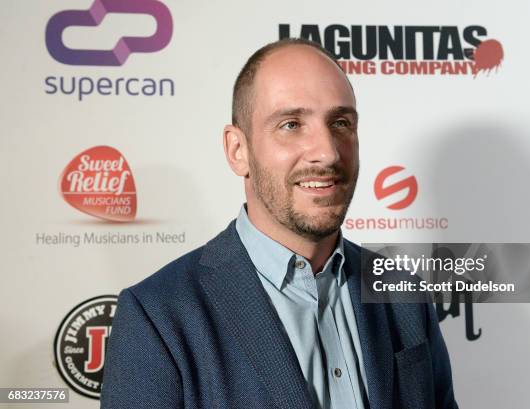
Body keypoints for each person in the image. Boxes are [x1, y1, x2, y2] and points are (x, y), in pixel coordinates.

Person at [100, 38, 458, 409]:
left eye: (340, 123)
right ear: (238, 151)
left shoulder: (403, 295)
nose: (328, 152)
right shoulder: (159, 317)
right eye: (291, 124)